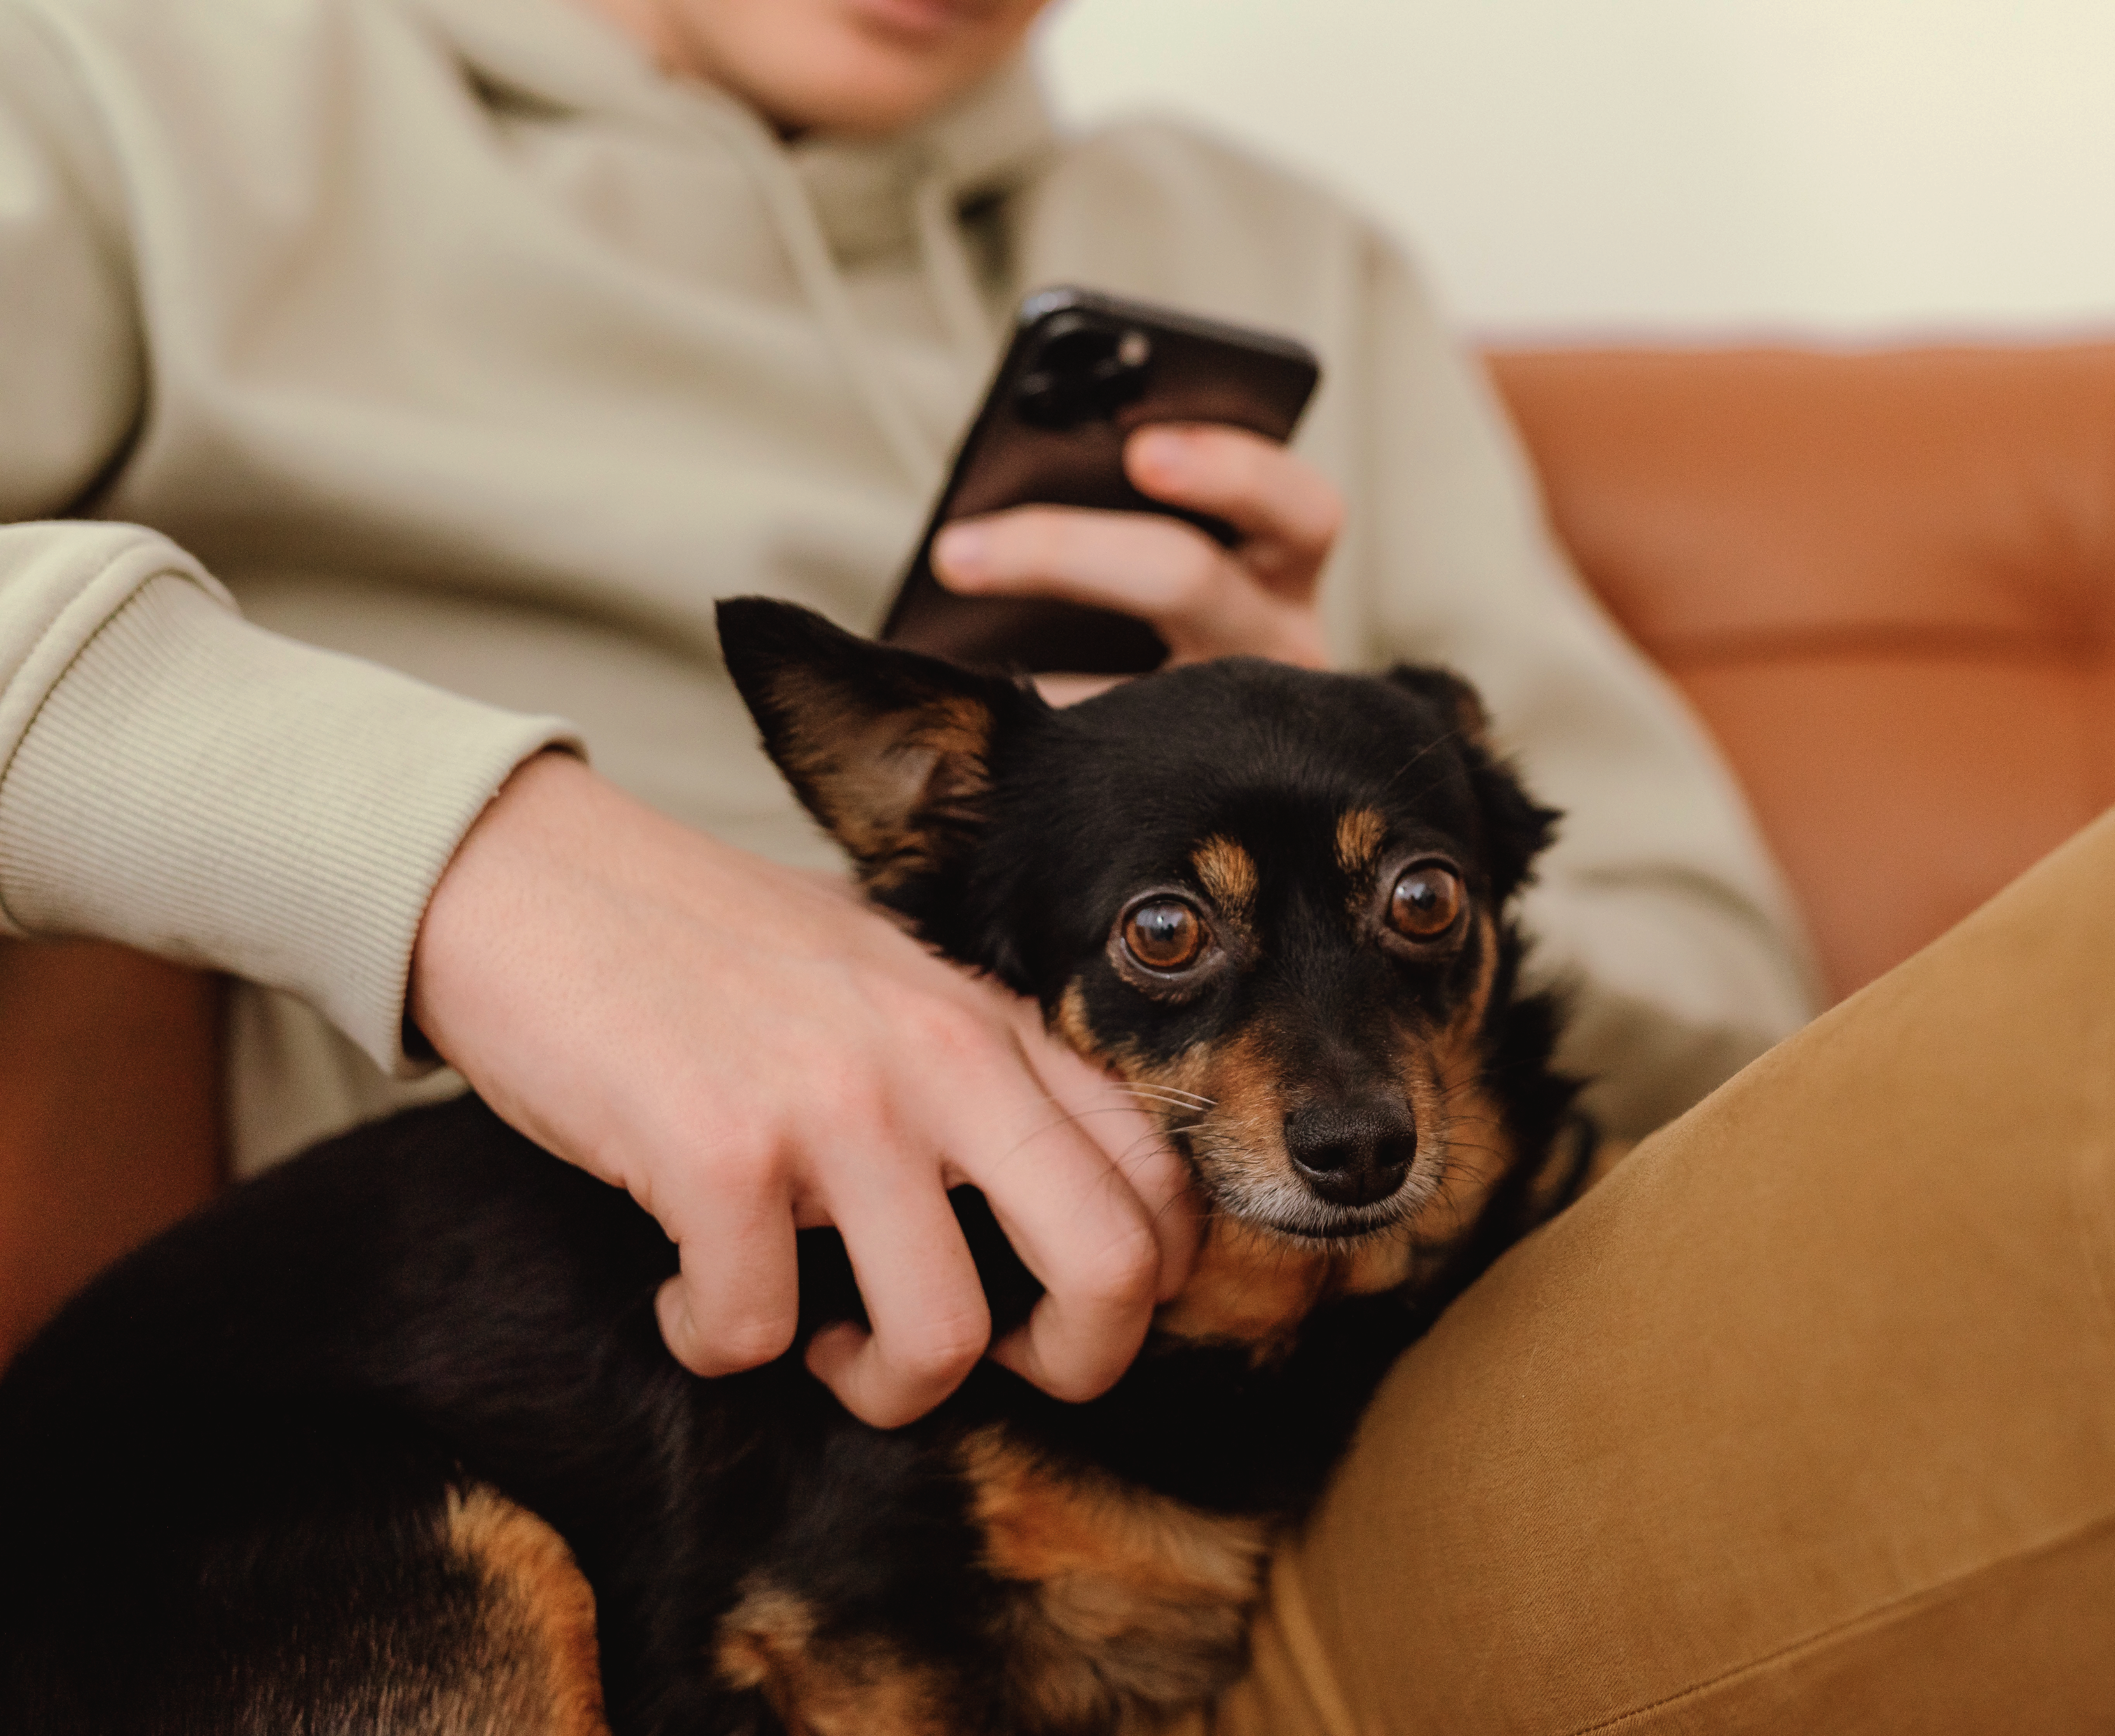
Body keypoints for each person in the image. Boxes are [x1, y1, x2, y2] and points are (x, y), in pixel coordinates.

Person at [0, 0, 1814, 1430]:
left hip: (1411, 1399)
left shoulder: (1272, 248)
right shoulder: (131, 95)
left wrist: (1332, 763)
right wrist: (482, 865)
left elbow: (1741, 1022)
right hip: (681, 1454)